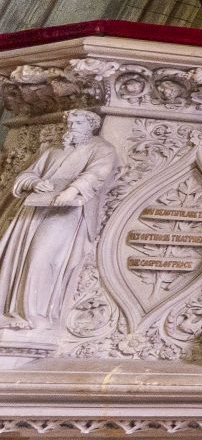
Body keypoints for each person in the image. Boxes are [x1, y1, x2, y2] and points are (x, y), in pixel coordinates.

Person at [0, 110, 119, 329]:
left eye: (78, 122)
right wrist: (34, 183)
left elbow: (96, 174)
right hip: (34, 209)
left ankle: (34, 314)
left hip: (67, 212)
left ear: (91, 125)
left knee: (42, 257)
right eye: (70, 122)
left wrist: (72, 190)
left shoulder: (102, 149)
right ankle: (11, 311)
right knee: (15, 256)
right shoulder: (54, 150)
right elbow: (28, 174)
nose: (71, 126)